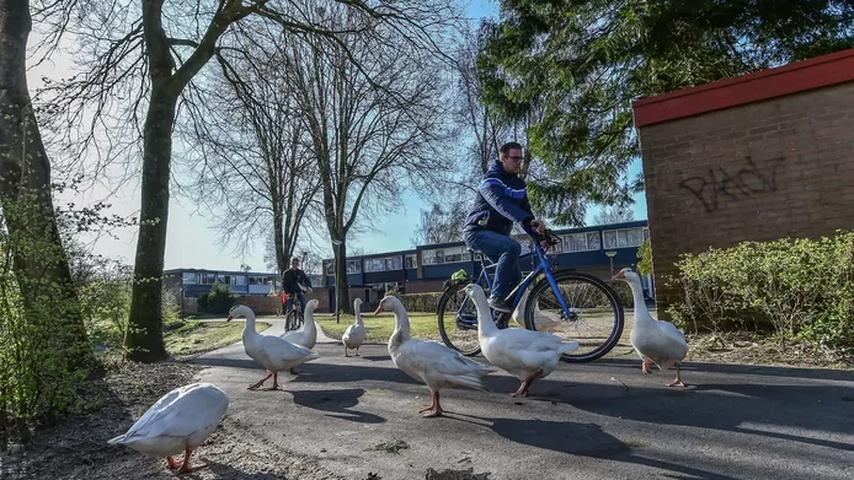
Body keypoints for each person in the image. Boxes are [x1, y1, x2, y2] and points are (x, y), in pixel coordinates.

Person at [463, 142, 547, 312]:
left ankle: (496, 319)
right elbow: (500, 203)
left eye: (521, 159)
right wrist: (525, 219)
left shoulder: (519, 185)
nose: (519, 163)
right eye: (515, 158)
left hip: (496, 236)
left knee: (515, 277)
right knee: (512, 247)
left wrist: (541, 237)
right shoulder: (490, 180)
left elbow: (526, 215)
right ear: (503, 158)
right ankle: (495, 298)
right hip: (477, 233)